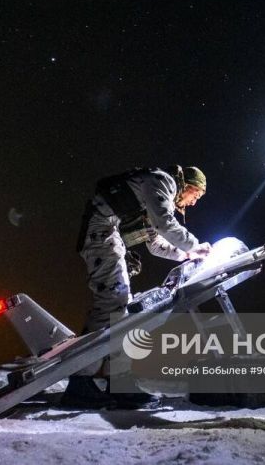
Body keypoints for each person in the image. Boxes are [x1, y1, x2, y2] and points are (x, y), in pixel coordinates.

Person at [61, 166, 211, 409]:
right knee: (112, 302)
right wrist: (195, 246)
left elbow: (155, 243)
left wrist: (186, 254)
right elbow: (165, 225)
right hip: (102, 234)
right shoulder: (162, 181)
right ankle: (80, 382)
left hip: (107, 234)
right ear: (188, 185)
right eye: (197, 194)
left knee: (121, 309)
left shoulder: (154, 193)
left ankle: (118, 380)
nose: (194, 202)